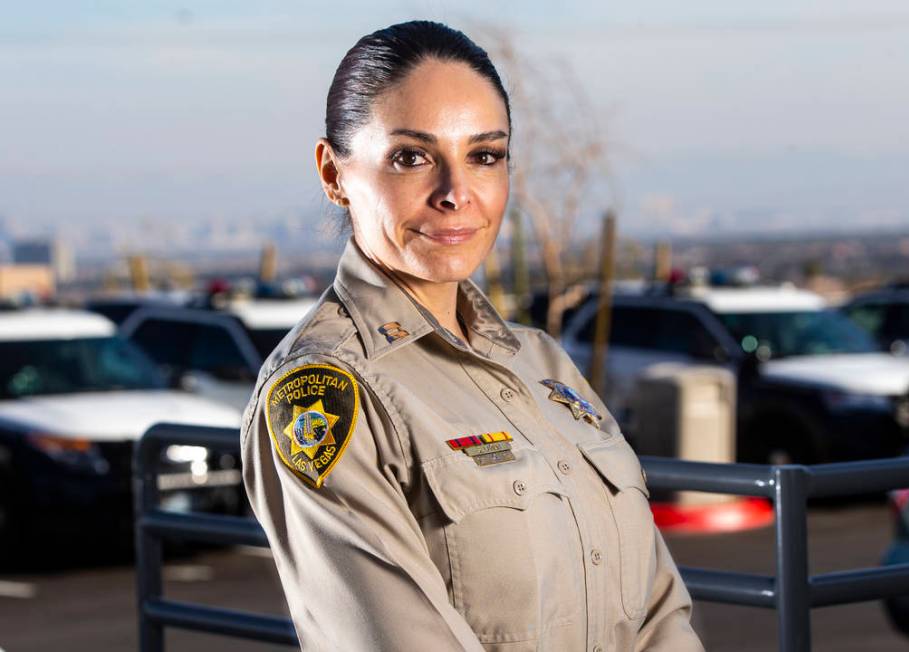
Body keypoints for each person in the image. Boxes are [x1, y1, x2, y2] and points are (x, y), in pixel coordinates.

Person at [241, 19, 704, 652]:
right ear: (333, 173)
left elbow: (657, 613)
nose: (456, 193)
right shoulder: (322, 391)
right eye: (411, 157)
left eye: (484, 156)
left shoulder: (541, 364)